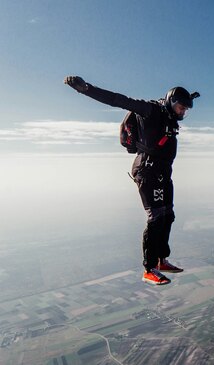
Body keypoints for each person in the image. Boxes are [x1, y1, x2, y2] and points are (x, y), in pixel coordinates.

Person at [64, 76, 199, 285]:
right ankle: (149, 269)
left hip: (163, 172)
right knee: (155, 218)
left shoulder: (169, 116)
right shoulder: (150, 110)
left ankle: (162, 260)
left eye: (185, 110)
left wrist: (189, 98)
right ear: (171, 101)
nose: (183, 112)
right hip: (148, 171)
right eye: (181, 107)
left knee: (168, 216)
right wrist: (86, 89)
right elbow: (117, 99)